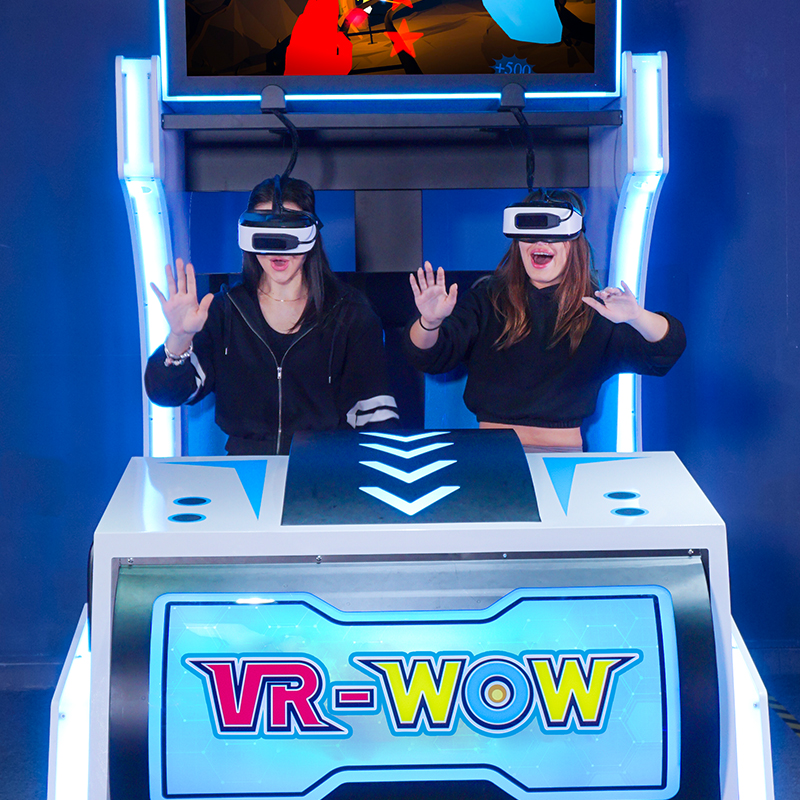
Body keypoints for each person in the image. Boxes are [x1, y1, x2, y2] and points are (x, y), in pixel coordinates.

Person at [403, 190, 685, 452]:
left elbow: (667, 349)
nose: (540, 243)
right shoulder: (488, 299)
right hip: (492, 459)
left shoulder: (595, 311)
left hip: (563, 461)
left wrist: (636, 316)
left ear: (574, 243)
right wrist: (430, 322)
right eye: (530, 234)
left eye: (552, 235)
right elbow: (428, 355)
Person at [145, 177, 399, 455]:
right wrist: (179, 337)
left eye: (289, 232)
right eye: (265, 233)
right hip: (244, 470)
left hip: (324, 470)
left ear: (311, 235)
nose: (277, 249)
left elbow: (377, 418)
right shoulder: (224, 311)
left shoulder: (350, 313)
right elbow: (166, 393)